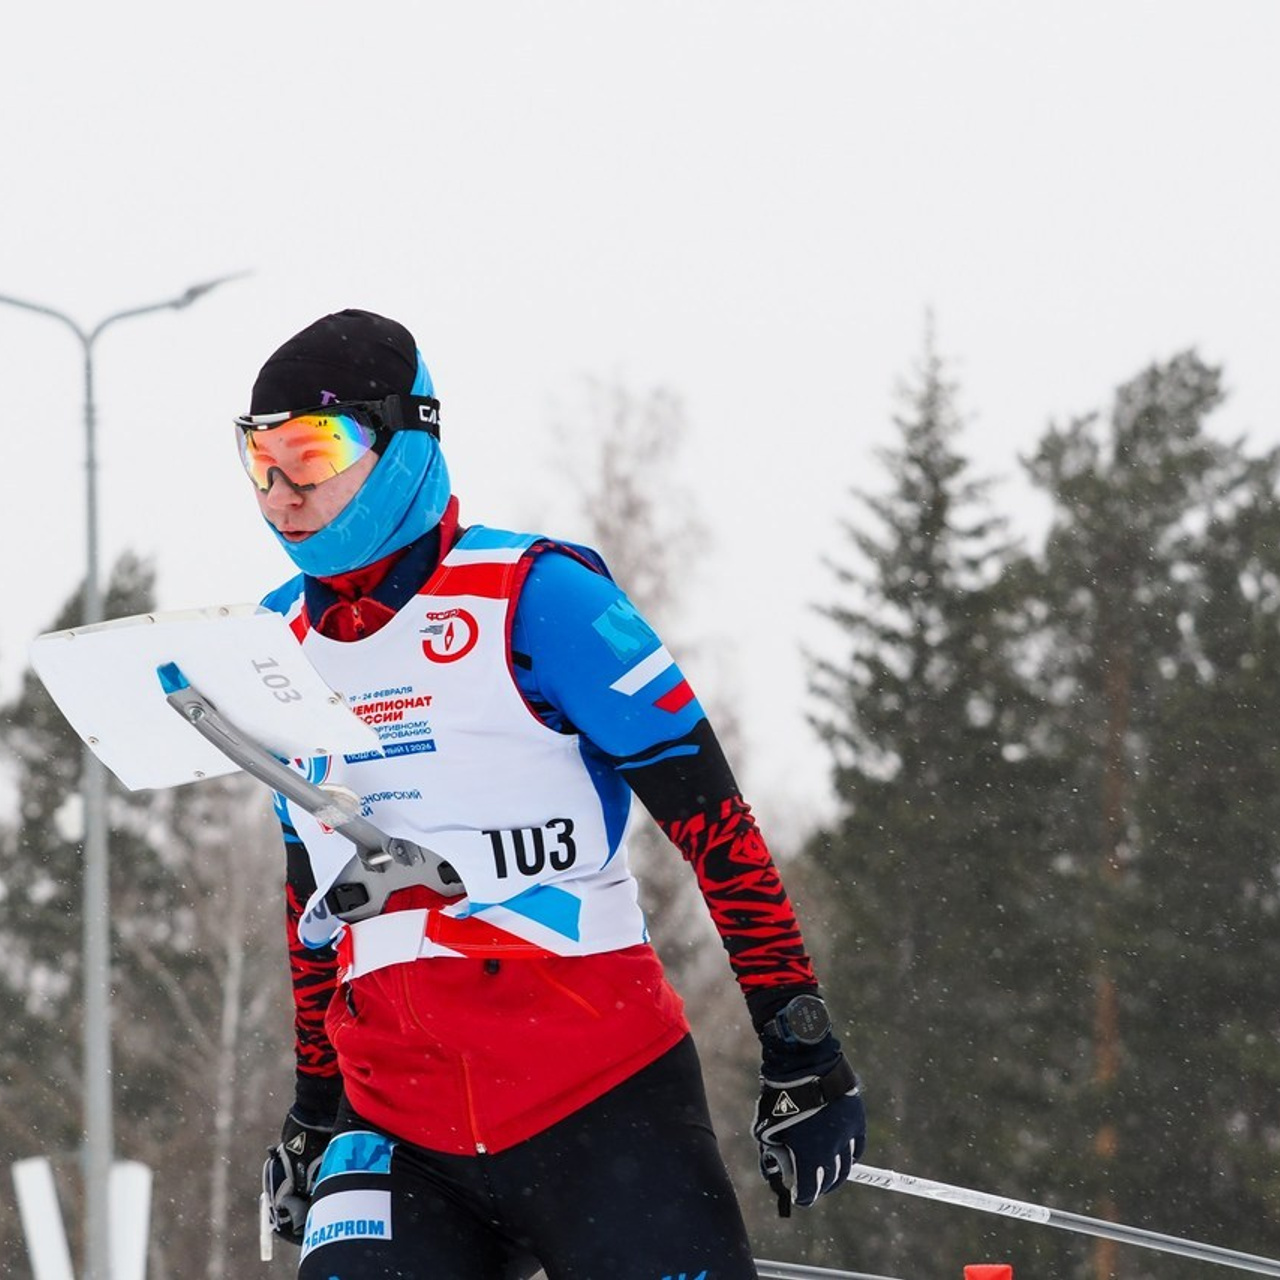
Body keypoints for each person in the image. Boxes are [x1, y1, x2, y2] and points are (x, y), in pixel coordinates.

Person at [241, 309, 866, 1279]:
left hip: (599, 1104)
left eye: (310, 449)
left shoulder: (538, 595)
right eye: (259, 458)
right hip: (398, 1129)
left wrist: (798, 1043)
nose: (282, 489)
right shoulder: (272, 645)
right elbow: (311, 900)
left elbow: (714, 824)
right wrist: (314, 1104)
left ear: (407, 439)